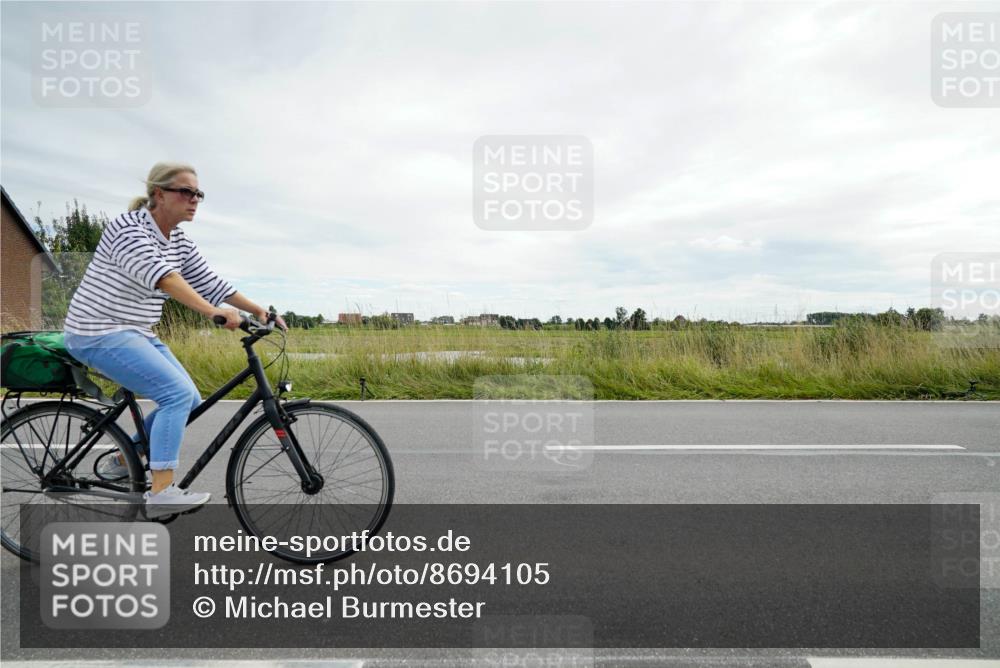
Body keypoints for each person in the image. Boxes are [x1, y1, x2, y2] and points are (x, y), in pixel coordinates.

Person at [63, 162, 286, 518]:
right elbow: (165, 279)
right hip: (97, 331)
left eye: (198, 193)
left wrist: (259, 310)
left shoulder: (177, 239)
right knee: (175, 394)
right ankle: (162, 491)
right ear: (158, 194)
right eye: (186, 191)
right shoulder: (128, 227)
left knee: (191, 397)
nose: (194, 199)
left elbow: (208, 280)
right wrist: (212, 312)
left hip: (135, 330)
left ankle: (127, 456)